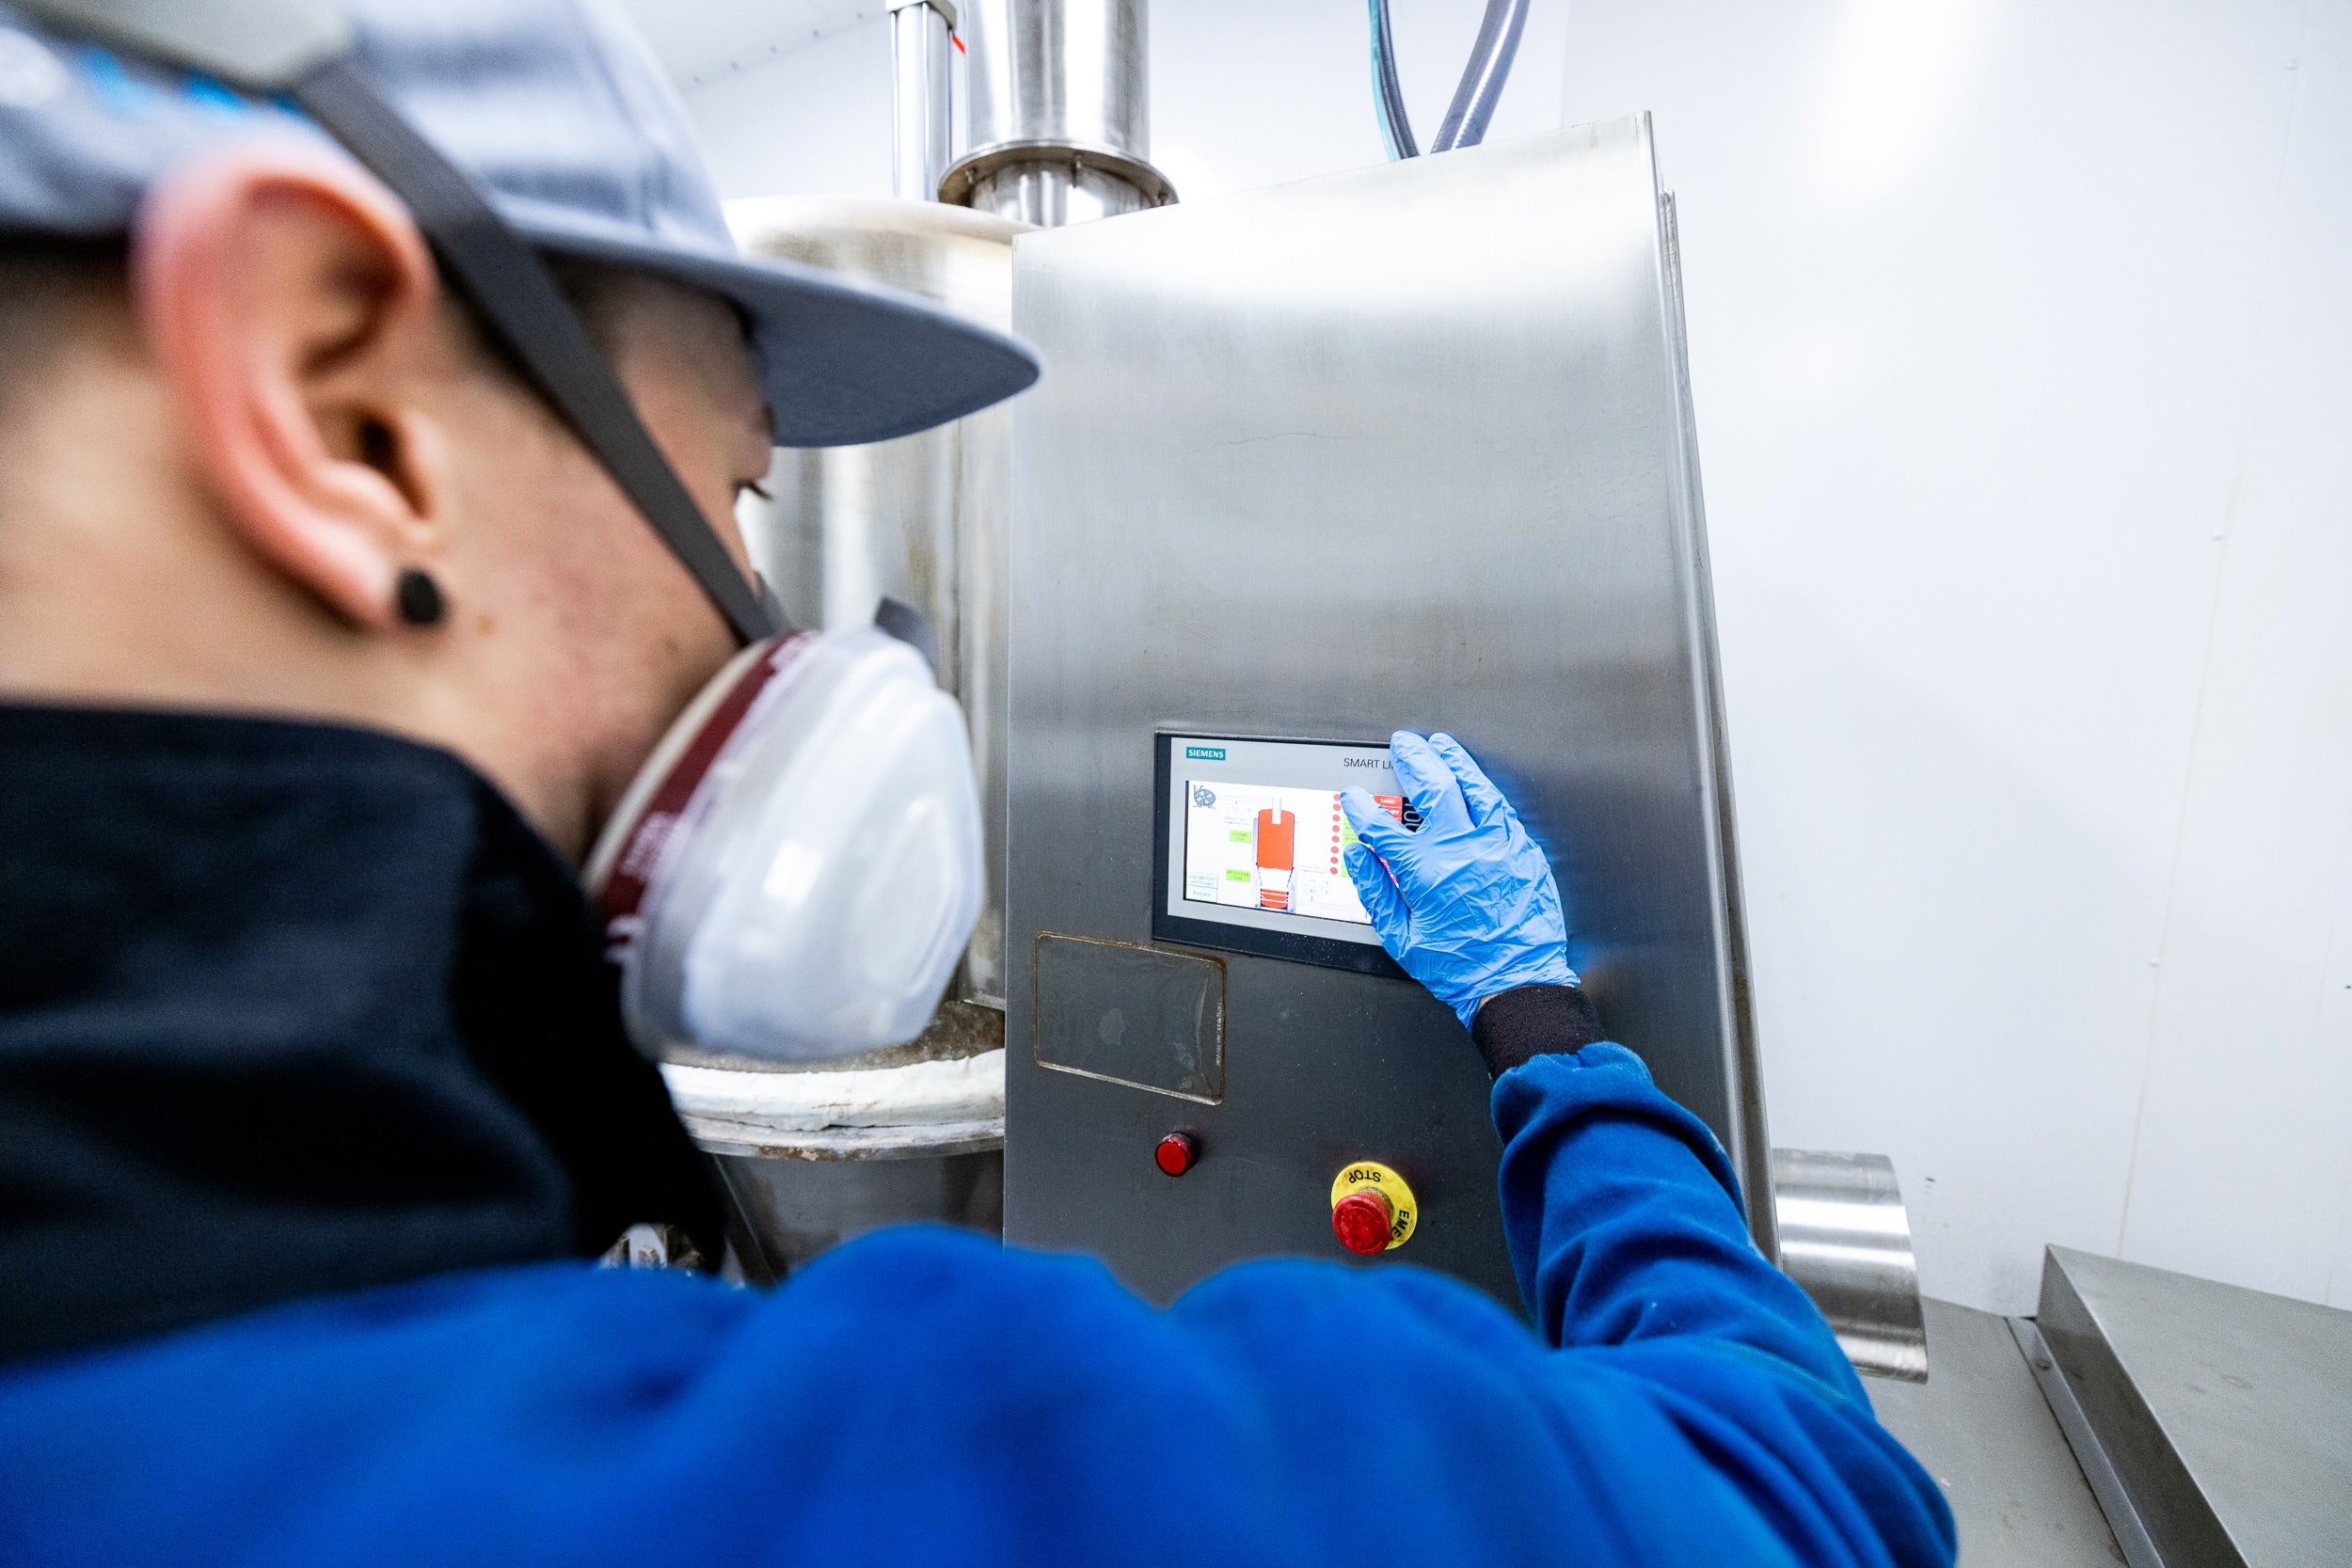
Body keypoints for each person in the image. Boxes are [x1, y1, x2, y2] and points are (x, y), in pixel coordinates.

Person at [0, 2, 1957, 1563]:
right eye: (739, 488)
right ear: (341, 406)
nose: (755, 617)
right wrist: (1542, 1035)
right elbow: (1802, 1489)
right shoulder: (850, 1478)